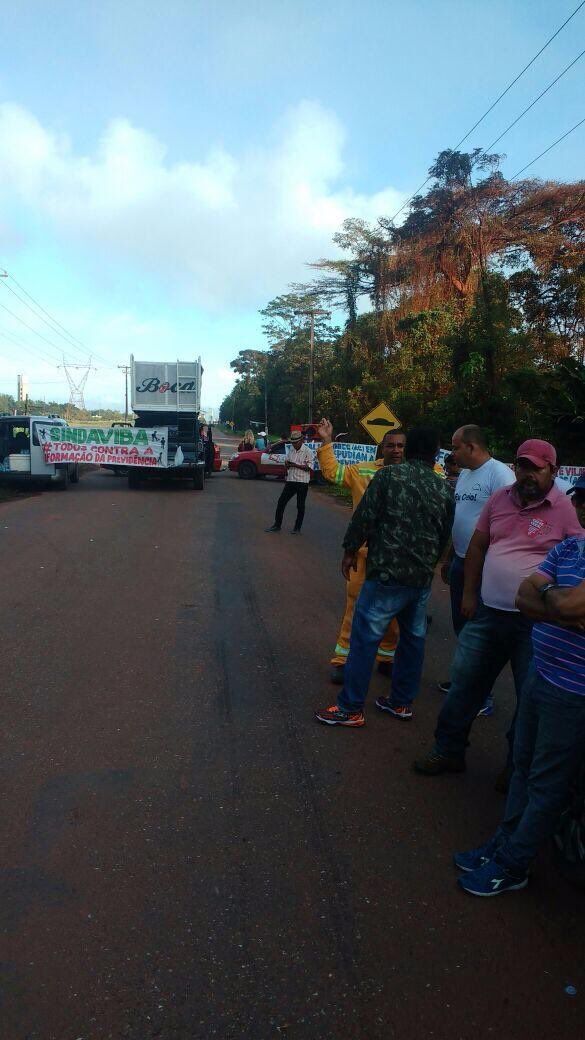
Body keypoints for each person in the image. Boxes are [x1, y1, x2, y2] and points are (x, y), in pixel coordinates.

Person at [414, 439, 583, 778]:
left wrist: (563, 604)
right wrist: (469, 595)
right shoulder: (499, 499)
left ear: (553, 470)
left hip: (535, 623)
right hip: (488, 614)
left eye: (536, 468)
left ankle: (514, 768)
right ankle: (448, 750)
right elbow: (477, 547)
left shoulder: (566, 508)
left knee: (528, 697)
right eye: (522, 466)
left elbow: (578, 557)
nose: (527, 474)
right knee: (465, 684)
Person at [455, 475, 585, 897]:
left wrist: (552, 598)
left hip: (574, 691)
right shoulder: (570, 548)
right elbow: (523, 598)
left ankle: (514, 864)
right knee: (523, 768)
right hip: (542, 673)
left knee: (547, 782)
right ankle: (505, 843)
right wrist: (557, 603)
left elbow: (562, 602)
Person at [315, 427, 454, 727]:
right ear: (434, 454)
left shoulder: (388, 477)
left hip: (386, 572)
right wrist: (430, 563)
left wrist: (350, 550)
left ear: (409, 448)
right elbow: (445, 532)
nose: (395, 450)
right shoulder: (443, 487)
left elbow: (365, 516)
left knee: (364, 639)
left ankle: (351, 708)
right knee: (414, 641)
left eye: (400, 446)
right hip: (419, 579)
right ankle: (401, 702)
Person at [316, 418, 405, 683]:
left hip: (397, 557)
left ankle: (387, 655)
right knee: (355, 607)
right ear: (382, 448)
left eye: (401, 446)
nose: (396, 450)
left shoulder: (416, 474)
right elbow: (332, 473)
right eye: (391, 446)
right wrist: (326, 442)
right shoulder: (362, 471)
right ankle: (343, 660)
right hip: (363, 555)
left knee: (393, 611)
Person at [438, 425, 515, 715]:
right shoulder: (466, 475)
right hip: (460, 560)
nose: (452, 453)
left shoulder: (500, 475)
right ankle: (465, 681)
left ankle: (482, 696)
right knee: (463, 625)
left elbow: (508, 523)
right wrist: (448, 557)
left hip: (484, 567)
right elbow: (460, 518)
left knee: (481, 631)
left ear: (471, 447)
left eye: (456, 447)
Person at [265, 430, 314, 534]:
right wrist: (287, 464)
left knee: (300, 506)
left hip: (302, 482)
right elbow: (286, 463)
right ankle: (277, 525)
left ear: (301, 440)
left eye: (296, 442)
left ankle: (297, 528)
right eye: (292, 442)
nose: (294, 444)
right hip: (291, 480)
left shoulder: (308, 451)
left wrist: (294, 465)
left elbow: (309, 467)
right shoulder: (290, 449)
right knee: (281, 502)